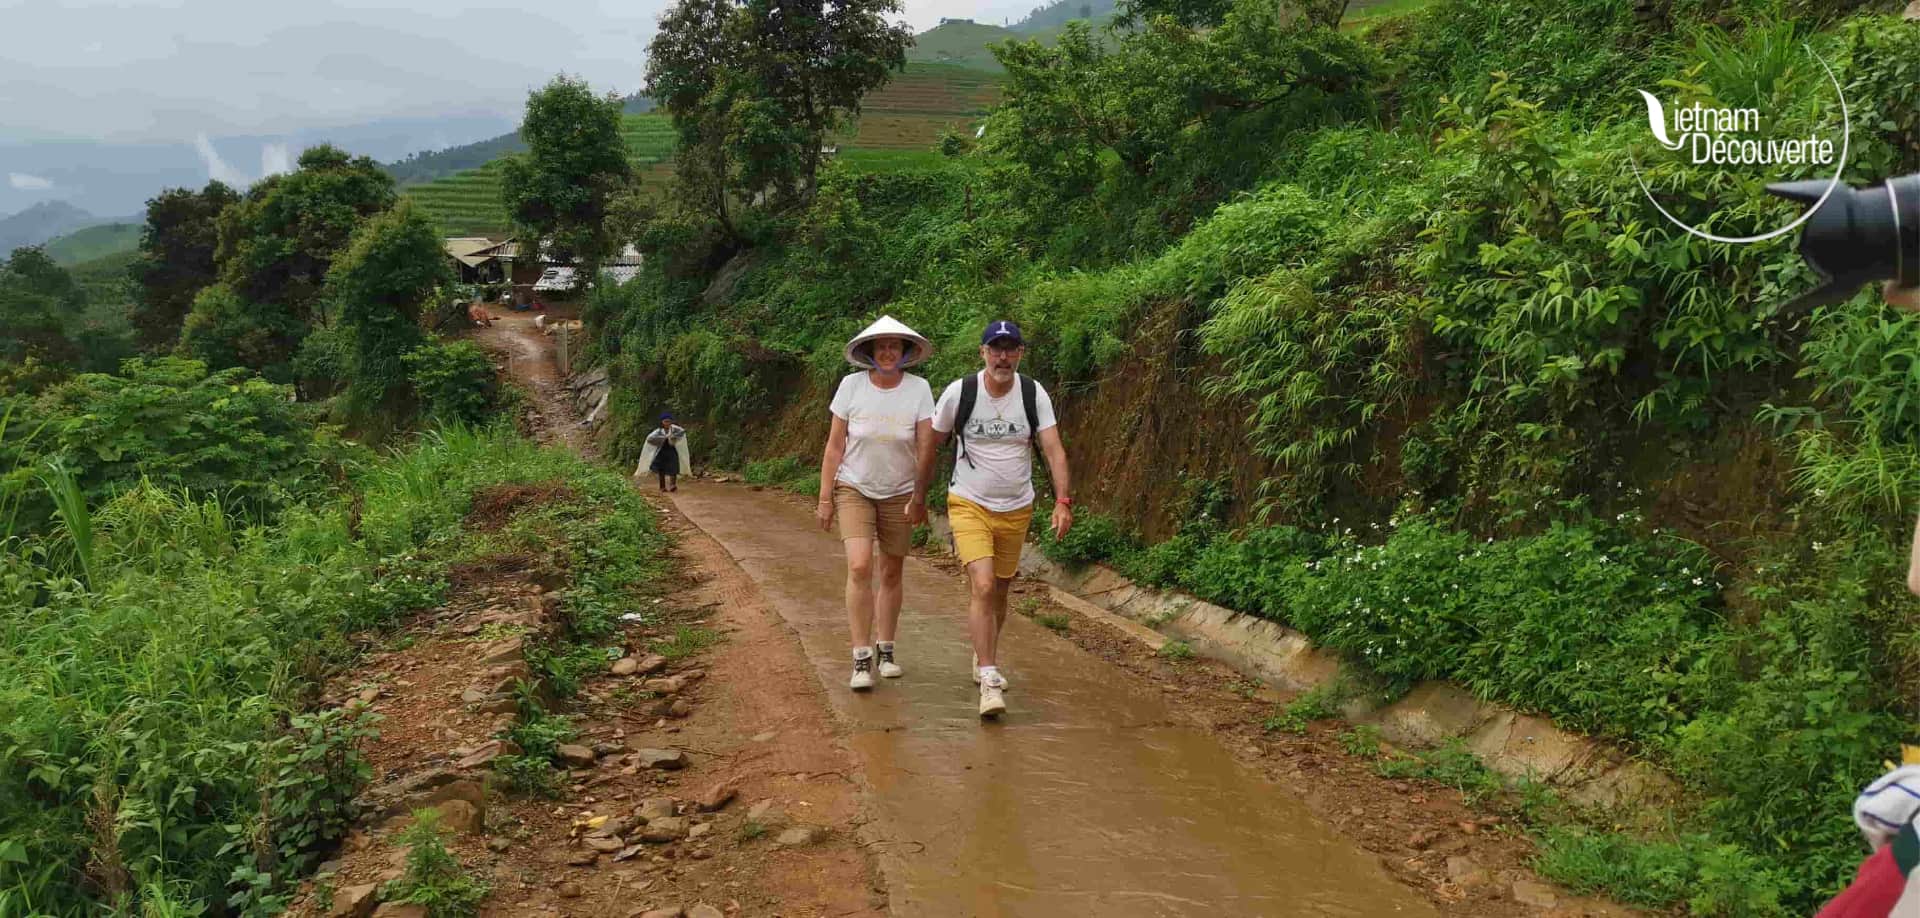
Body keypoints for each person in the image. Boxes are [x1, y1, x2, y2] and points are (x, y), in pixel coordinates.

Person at [911, 319, 1073, 719]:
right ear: (982, 352)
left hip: (1017, 507)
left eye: (1010, 348)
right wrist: (917, 498)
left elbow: (1053, 450)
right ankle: (989, 676)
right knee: (982, 585)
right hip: (968, 501)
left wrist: (1063, 501)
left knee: (1000, 592)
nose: (1003, 356)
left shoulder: (1033, 394)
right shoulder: (960, 392)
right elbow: (930, 447)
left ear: (1020, 353)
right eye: (995, 348)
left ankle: (983, 653)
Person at [818, 316, 936, 692]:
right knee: (859, 565)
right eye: (881, 346)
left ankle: (886, 650)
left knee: (891, 571)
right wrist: (825, 498)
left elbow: (925, 447)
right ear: (870, 352)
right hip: (854, 487)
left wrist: (920, 496)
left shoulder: (919, 389)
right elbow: (835, 445)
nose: (887, 352)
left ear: (904, 353)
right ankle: (861, 657)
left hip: (900, 490)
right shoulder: (851, 387)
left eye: (894, 346)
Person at [635, 413, 691, 492]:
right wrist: (663, 438)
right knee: (661, 470)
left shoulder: (675, 429)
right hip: (661, 452)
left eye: (669, 421)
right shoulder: (659, 431)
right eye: (665, 421)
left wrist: (673, 437)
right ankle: (662, 487)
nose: (667, 423)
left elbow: (682, 432)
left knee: (673, 467)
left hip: (672, 450)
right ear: (662, 422)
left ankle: (672, 485)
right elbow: (650, 438)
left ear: (671, 422)